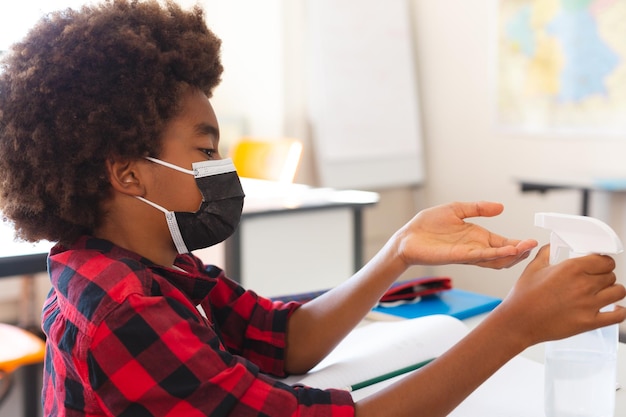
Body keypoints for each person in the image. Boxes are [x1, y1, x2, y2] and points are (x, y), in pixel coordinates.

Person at [0, 1, 624, 416]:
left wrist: (397, 249)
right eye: (205, 149)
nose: (222, 168)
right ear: (128, 172)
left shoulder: (152, 269)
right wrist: (516, 326)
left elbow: (284, 340)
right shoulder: (125, 309)